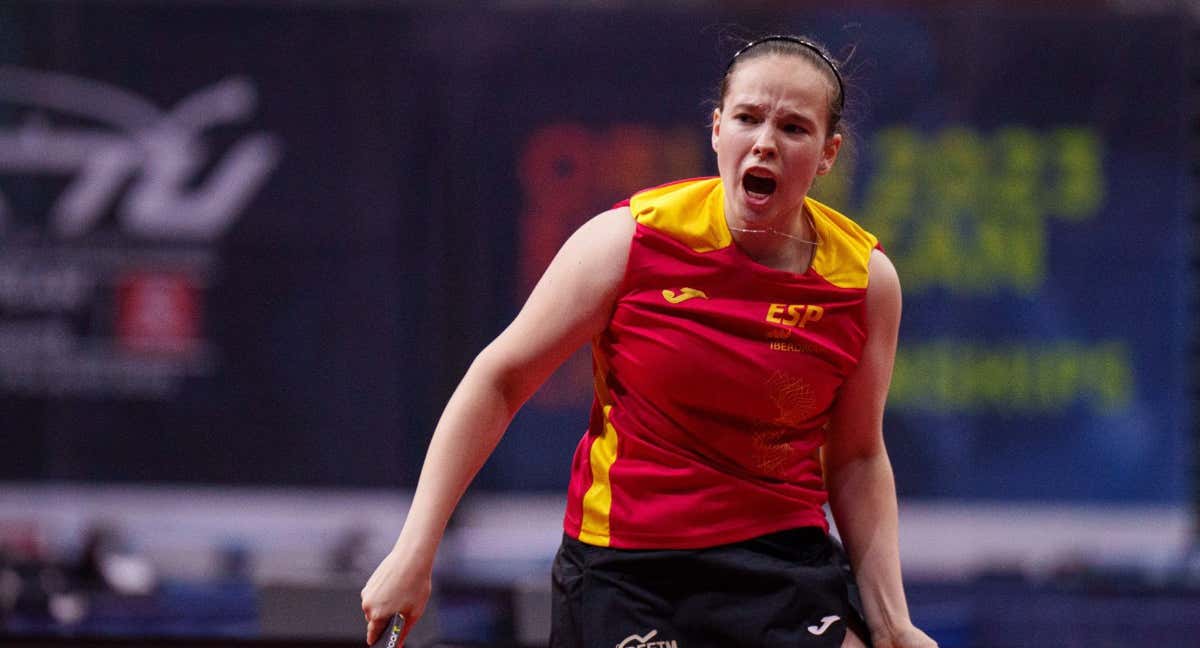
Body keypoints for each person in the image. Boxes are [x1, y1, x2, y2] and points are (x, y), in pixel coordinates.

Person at [361, 34, 937, 648]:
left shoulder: (862, 281)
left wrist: (892, 622)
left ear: (828, 153)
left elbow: (855, 456)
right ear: (718, 130)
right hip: (630, 568)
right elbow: (498, 382)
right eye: (747, 117)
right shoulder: (629, 242)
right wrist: (414, 552)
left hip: (781, 565)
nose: (765, 140)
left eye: (794, 127)